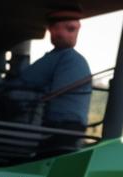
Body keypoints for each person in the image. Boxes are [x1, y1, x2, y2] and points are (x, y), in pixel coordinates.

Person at [17, 6, 93, 150]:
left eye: (75, 30)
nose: (73, 35)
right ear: (53, 30)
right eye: (70, 29)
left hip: (59, 132)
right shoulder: (55, 58)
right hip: (48, 130)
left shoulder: (70, 59)